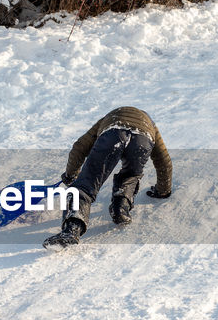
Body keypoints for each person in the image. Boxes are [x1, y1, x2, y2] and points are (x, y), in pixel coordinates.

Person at [44, 106, 172, 250]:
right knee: (130, 175)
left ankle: (72, 230)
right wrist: (163, 190)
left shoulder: (109, 118)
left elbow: (79, 147)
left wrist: (71, 175)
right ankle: (120, 208)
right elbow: (163, 161)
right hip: (143, 139)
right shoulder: (151, 126)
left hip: (114, 133)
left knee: (86, 184)